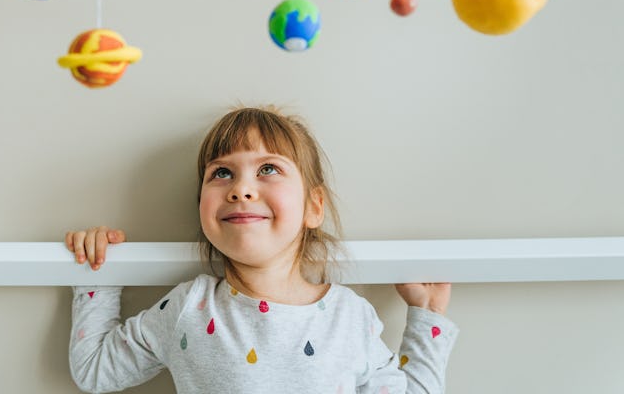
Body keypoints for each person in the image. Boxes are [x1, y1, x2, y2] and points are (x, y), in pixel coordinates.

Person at [65, 106, 458, 393]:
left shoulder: (350, 319)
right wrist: (99, 269)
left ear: (313, 207)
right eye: (221, 173)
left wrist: (428, 316)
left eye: (268, 169)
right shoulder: (189, 307)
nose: (240, 188)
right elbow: (95, 370)